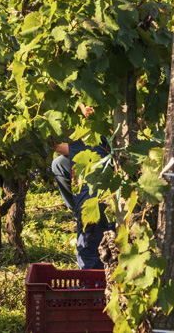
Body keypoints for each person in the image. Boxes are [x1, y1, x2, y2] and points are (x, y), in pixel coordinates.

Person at [51, 109, 112, 270]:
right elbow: (62, 149)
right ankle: (81, 210)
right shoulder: (80, 120)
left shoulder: (108, 119)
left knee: (94, 224)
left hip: (106, 186)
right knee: (59, 164)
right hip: (95, 170)